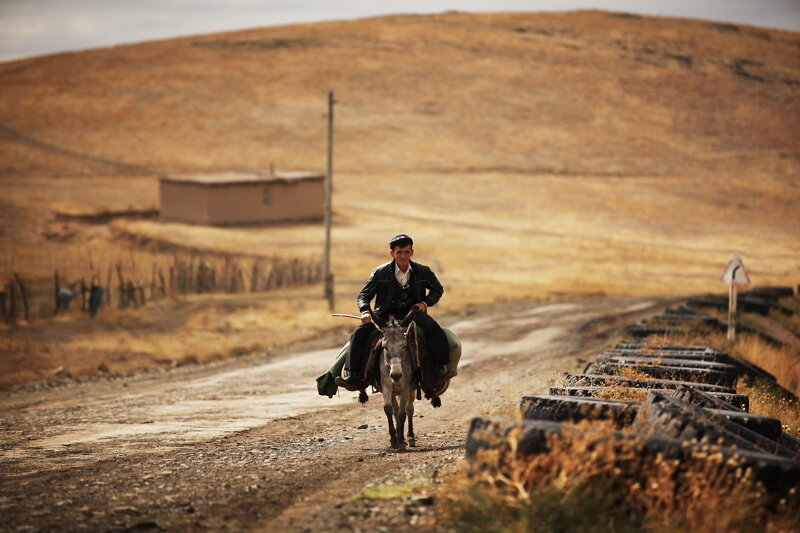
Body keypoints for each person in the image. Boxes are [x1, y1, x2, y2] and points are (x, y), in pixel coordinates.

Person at [339, 234, 450, 389]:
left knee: (434, 329)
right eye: (399, 252)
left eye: (406, 252)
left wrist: (425, 303)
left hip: (413, 315)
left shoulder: (423, 271)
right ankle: (353, 375)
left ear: (412, 252)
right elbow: (364, 295)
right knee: (359, 333)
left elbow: (437, 290)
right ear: (392, 253)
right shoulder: (380, 272)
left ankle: (440, 371)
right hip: (383, 316)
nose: (403, 256)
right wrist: (365, 311)